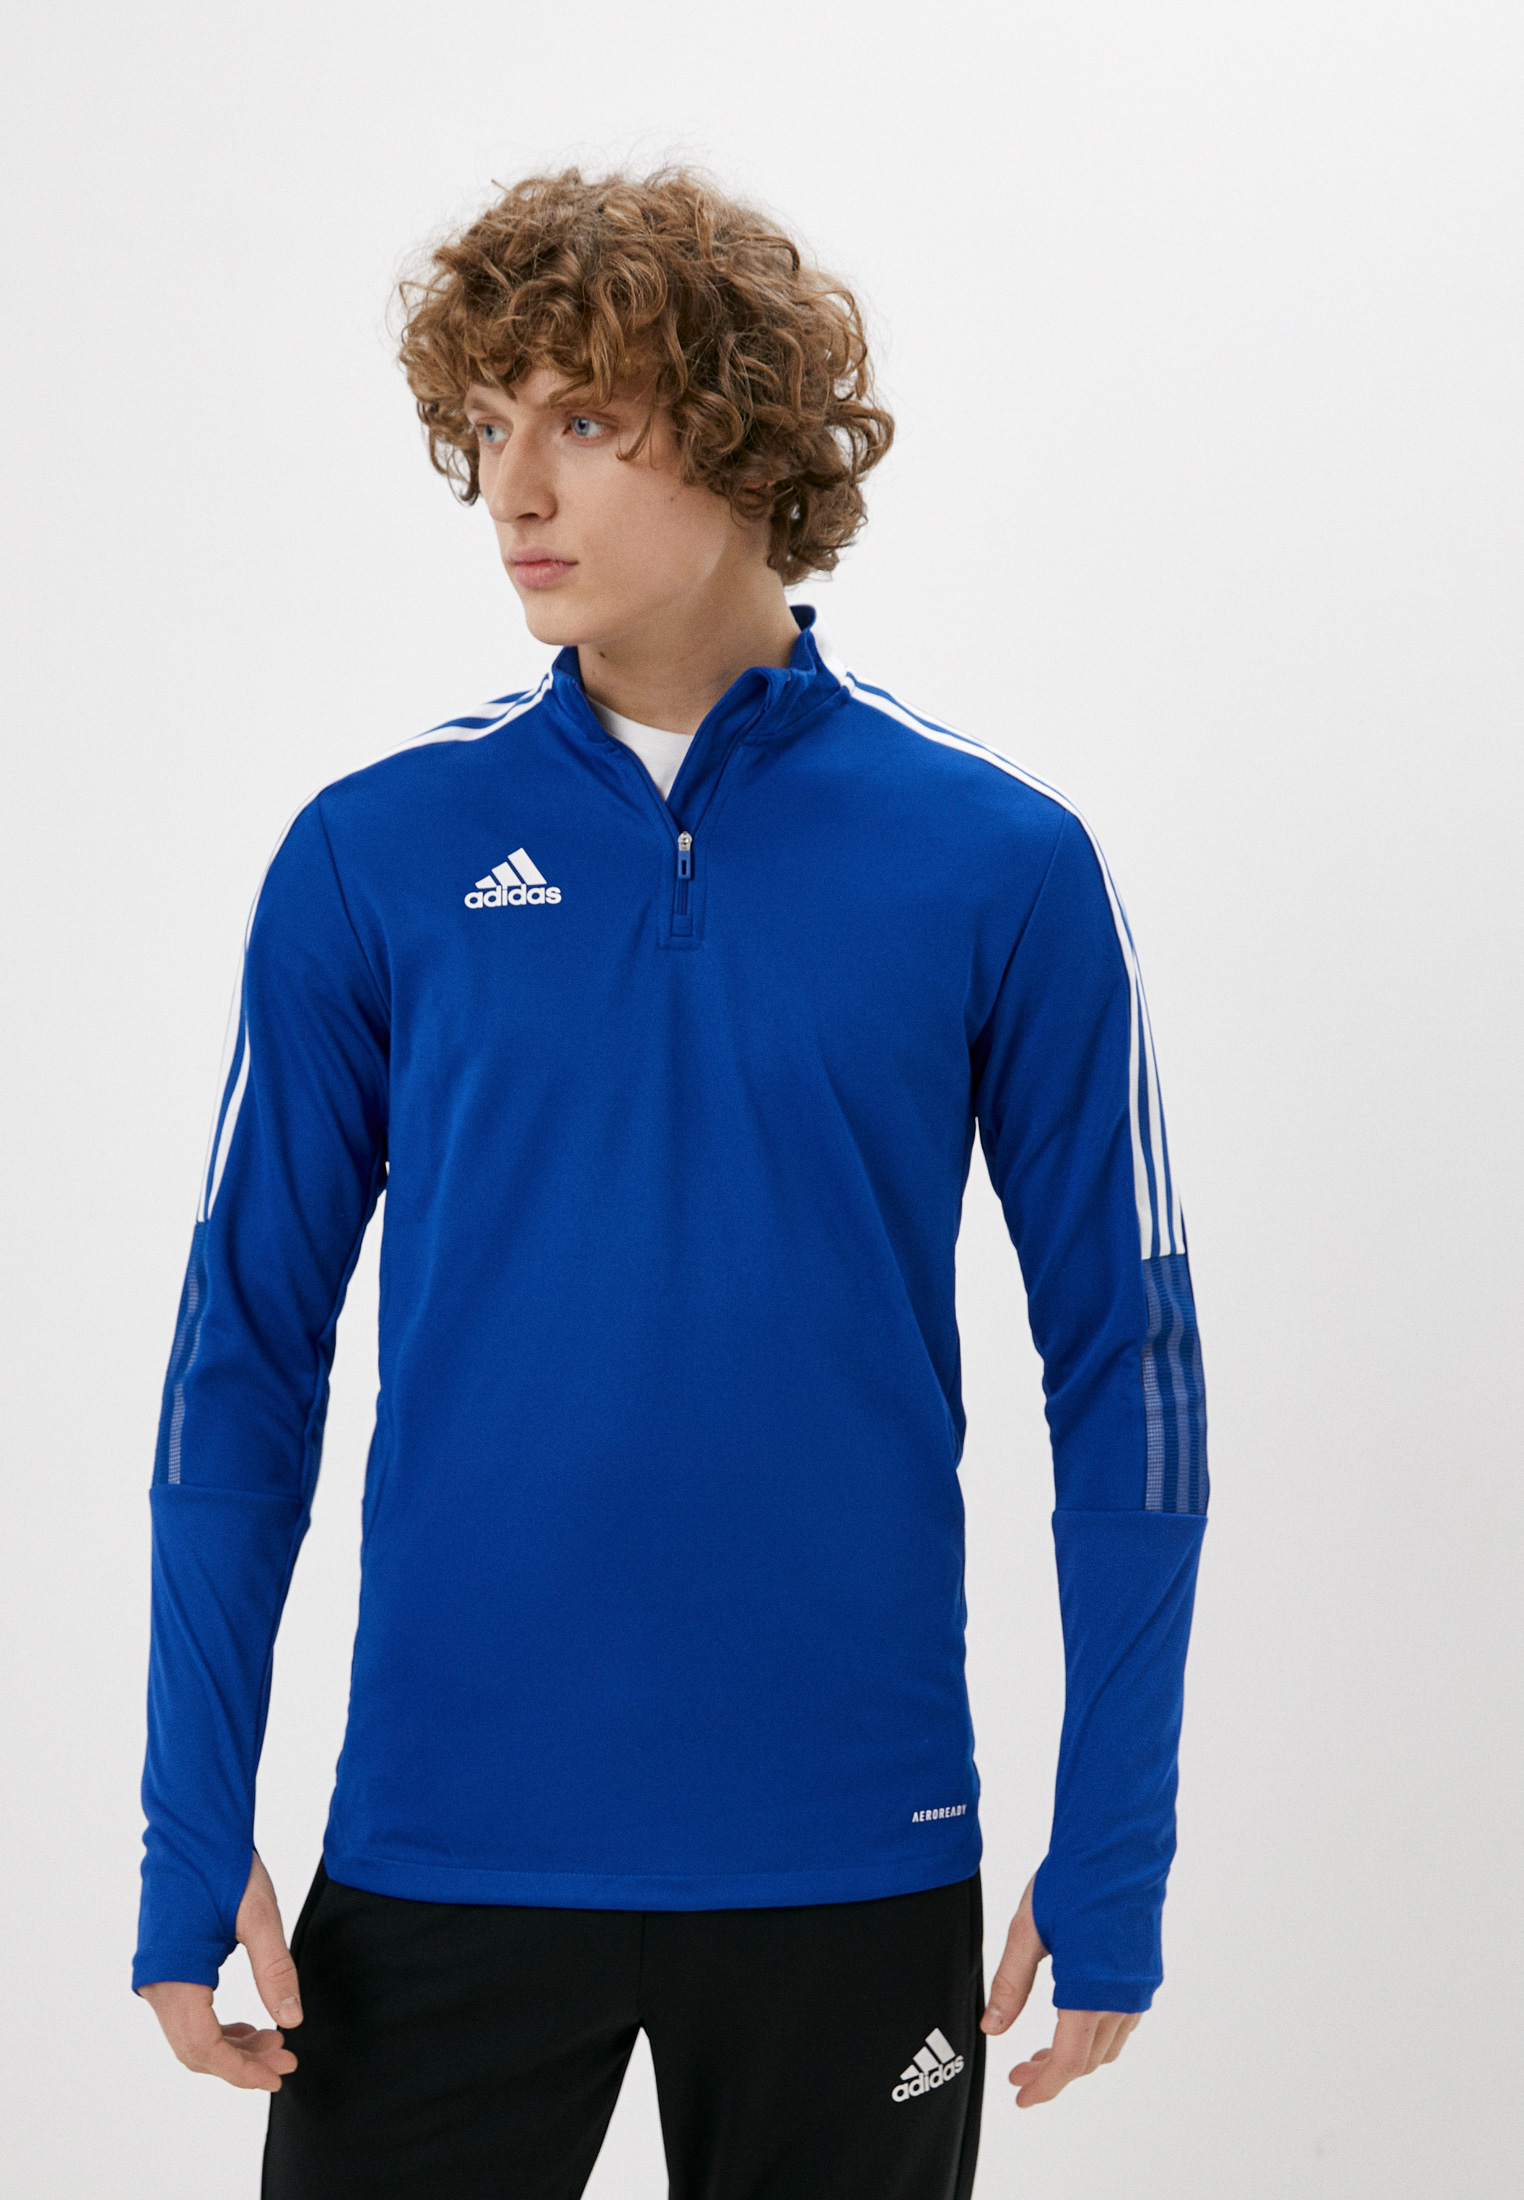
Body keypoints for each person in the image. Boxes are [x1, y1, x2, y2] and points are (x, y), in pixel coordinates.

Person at [134, 168, 1208, 2200]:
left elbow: (1129, 1367)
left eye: (583, 419)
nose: (513, 487)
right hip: (446, 1839)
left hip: (852, 1849)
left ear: (737, 434)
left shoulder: (1000, 861)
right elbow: (242, 1357)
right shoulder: (373, 854)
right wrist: (191, 1809)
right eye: (486, 427)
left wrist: (1120, 1834)